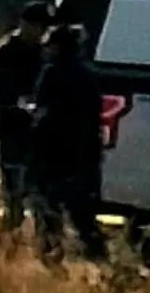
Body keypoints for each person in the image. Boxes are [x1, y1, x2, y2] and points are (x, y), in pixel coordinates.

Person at [29, 24, 106, 260]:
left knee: (48, 209)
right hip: (85, 154)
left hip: (53, 153)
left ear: (57, 47)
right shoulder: (89, 74)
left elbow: (41, 110)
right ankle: (99, 257)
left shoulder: (52, 72)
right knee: (83, 214)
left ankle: (50, 256)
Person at [0, 1, 54, 232]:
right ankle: (10, 239)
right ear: (25, 25)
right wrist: (16, 101)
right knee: (14, 190)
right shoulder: (8, 51)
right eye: (38, 26)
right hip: (13, 129)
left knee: (39, 192)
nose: (41, 33)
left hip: (39, 132)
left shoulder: (45, 53)